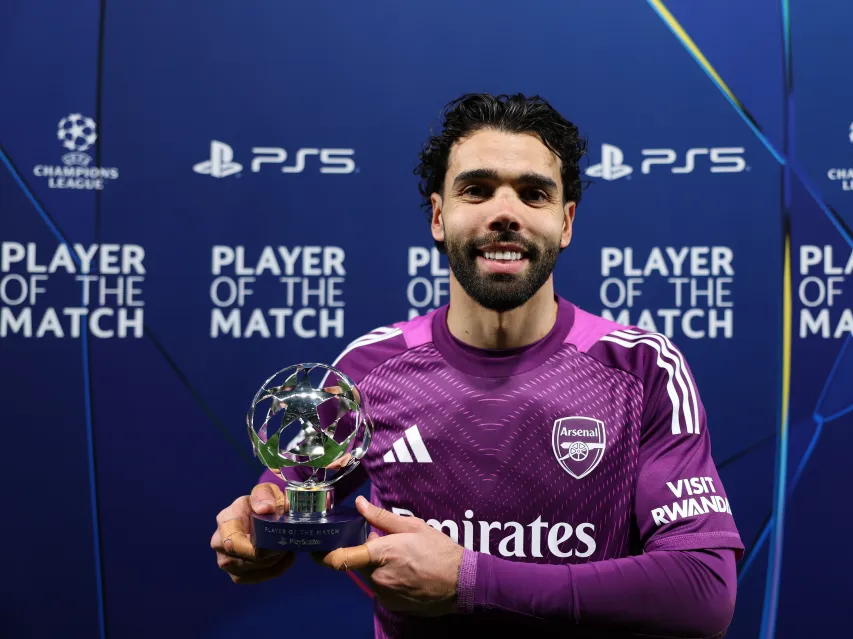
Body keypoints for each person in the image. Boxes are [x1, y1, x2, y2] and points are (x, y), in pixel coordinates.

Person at [211, 92, 744, 638]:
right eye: (477, 190)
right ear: (440, 217)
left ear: (566, 223)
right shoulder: (370, 368)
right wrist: (257, 533)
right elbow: (286, 498)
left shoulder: (641, 368)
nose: (504, 213)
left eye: (533, 194)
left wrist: (471, 580)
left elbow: (703, 591)